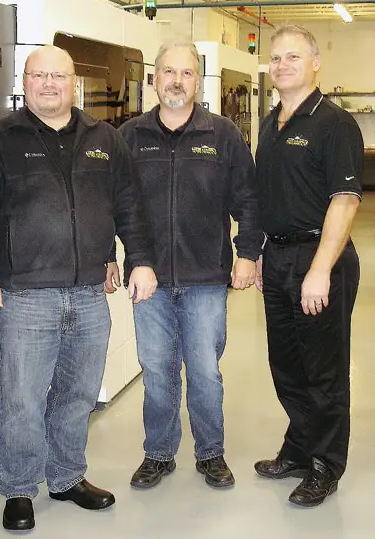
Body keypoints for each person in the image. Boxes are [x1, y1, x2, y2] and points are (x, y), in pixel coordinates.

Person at [0, 45, 157, 531]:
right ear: (25, 81)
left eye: (59, 76)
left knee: (79, 392)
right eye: (39, 75)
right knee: (22, 398)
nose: (49, 84)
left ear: (75, 84)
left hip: (89, 292)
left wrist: (141, 260)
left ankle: (66, 477)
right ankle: (20, 488)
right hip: (25, 295)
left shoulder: (103, 138)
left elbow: (127, 204)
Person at [112, 40, 263, 490]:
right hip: (149, 278)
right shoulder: (130, 137)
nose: (177, 81)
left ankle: (210, 453)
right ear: (154, 79)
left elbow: (248, 201)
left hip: (205, 278)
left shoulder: (222, 136)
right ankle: (158, 454)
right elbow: (115, 205)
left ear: (198, 81)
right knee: (157, 372)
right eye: (168, 72)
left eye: (187, 73)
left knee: (204, 372)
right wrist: (117, 257)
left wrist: (248, 254)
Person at [254, 25, 363, 507]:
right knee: (287, 364)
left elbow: (344, 201)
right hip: (277, 257)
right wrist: (258, 251)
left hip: (321, 258)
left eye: (292, 58)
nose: (281, 66)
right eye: (275, 59)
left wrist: (320, 269)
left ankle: (325, 464)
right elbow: (265, 195)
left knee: (324, 371)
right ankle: (298, 448)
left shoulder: (335, 124)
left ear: (316, 63)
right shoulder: (270, 121)